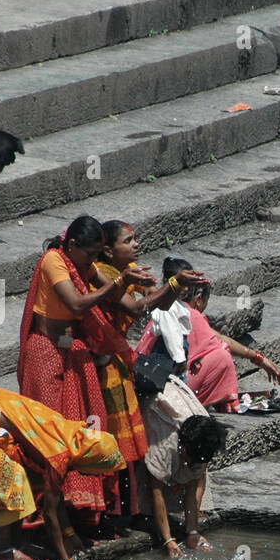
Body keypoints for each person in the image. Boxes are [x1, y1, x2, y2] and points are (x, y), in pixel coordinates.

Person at [16, 215, 153, 529]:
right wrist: (120, 282)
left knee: (87, 428)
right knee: (50, 435)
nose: (93, 262)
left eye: (97, 255)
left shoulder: (83, 264)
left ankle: (77, 512)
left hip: (72, 349)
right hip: (45, 352)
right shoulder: (54, 261)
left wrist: (173, 285)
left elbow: (129, 306)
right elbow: (77, 305)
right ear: (73, 245)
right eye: (90, 254)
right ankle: (46, 516)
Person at [0, 387, 126, 560]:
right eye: (97, 471)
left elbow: (57, 498)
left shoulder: (72, 438)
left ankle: (17, 544)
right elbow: (50, 514)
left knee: (30, 478)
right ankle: (3, 549)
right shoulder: (59, 456)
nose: (94, 476)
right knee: (11, 479)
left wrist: (70, 535)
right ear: (92, 458)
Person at [93, 220, 204, 517]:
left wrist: (177, 284)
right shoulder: (103, 274)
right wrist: (175, 283)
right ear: (107, 250)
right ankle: (108, 511)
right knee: (113, 435)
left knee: (128, 434)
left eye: (135, 239)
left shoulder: (131, 270)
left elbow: (160, 304)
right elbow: (137, 308)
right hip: (99, 363)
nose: (136, 245)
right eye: (128, 241)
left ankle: (126, 510)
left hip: (118, 360)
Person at [166, 257, 280, 411]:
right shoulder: (190, 314)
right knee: (222, 356)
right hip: (174, 389)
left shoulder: (166, 306)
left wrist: (258, 358)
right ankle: (228, 404)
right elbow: (221, 342)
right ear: (199, 299)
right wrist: (259, 359)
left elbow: (218, 336)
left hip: (161, 383)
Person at [141, 406, 227, 557]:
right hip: (150, 413)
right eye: (190, 461)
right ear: (183, 449)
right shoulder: (165, 446)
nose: (193, 466)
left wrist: (193, 532)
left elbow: (193, 485)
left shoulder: (206, 440)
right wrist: (168, 540)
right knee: (142, 497)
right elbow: (156, 491)